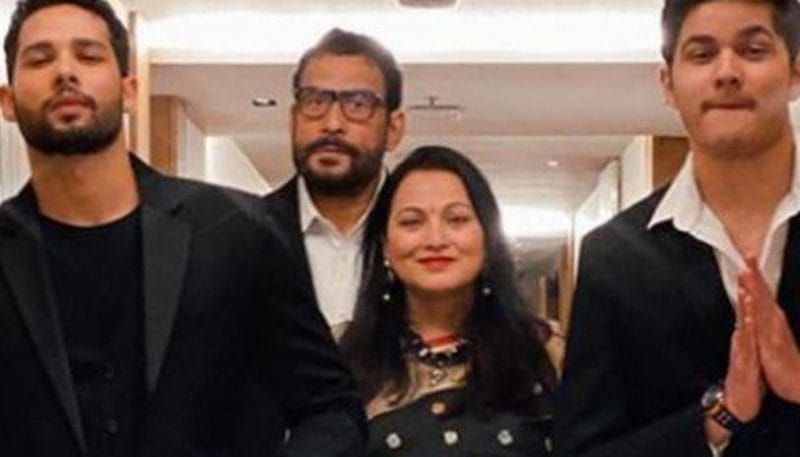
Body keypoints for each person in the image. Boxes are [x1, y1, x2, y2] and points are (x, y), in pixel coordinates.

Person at [0, 1, 365, 455]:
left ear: (129, 90)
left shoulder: (235, 231)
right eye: (40, 59)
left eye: (88, 56)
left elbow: (331, 408)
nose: (65, 72)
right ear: (7, 101)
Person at [554, 1, 800, 456]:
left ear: (795, 72)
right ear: (668, 83)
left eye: (753, 50)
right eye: (702, 54)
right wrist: (722, 416)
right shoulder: (616, 257)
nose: (727, 73)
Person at [340, 145, 556, 456]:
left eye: (457, 219)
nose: (435, 240)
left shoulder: (547, 351)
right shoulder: (340, 355)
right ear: (385, 244)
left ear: (488, 238)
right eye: (412, 222)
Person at [263, 28, 406, 337]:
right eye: (315, 101)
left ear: (393, 129)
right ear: (293, 118)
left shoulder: (422, 236)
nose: (332, 124)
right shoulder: (247, 234)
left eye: (358, 105)